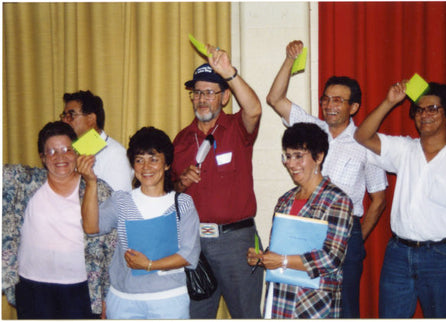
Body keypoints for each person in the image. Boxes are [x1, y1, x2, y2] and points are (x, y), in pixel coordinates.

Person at [266, 40, 387, 317]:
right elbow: (275, 99)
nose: (329, 105)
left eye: (338, 100)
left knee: (344, 309)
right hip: (306, 227)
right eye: (326, 99)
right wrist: (288, 60)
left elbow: (378, 198)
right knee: (306, 302)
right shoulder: (312, 129)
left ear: (354, 106)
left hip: (346, 229)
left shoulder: (366, 142)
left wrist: (353, 236)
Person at [354, 81, 446, 318]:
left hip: (441, 259)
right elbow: (362, 136)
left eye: (432, 108)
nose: (425, 115)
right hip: (398, 255)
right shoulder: (405, 149)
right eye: (420, 110)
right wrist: (390, 101)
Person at [171, 44, 263, 318]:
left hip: (236, 241)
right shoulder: (180, 140)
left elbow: (255, 109)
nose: (202, 99)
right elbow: (171, 190)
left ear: (224, 98)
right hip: (194, 243)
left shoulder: (237, 127)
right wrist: (181, 183)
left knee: (246, 314)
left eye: (210, 92)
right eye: (197, 92)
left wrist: (230, 73)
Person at [78, 126, 200, 319]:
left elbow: (188, 254)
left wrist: (149, 265)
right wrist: (91, 182)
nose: (146, 167)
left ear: (167, 164)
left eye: (154, 159)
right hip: (123, 300)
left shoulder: (182, 203)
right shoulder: (121, 200)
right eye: (139, 160)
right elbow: (91, 228)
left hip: (168, 299)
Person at [2, 121, 116, 319]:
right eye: (52, 152)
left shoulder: (100, 190)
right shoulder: (23, 182)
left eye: (66, 149)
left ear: (77, 152)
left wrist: (107, 296)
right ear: (43, 158)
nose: (60, 157)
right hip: (32, 287)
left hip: (81, 289)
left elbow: (112, 247)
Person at [247, 122, 353, 318]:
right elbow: (281, 249)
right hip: (280, 296)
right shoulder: (285, 200)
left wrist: (282, 261)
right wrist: (263, 258)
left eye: (298, 156)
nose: (291, 164)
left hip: (312, 301)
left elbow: (331, 258)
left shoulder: (337, 200)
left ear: (319, 157)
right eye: (287, 156)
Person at [61, 90, 133, 191]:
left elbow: (118, 203)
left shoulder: (115, 154)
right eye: (64, 116)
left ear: (91, 119)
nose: (64, 120)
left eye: (71, 115)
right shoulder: (72, 151)